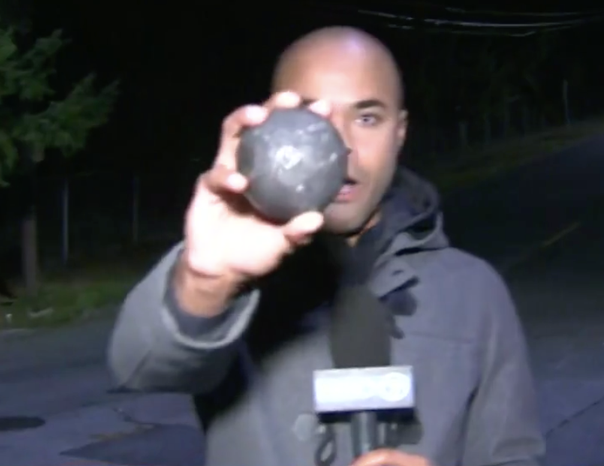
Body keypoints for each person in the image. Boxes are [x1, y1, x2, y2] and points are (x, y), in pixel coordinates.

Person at [108, 26, 545, 466]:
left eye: (367, 118)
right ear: (270, 129)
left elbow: (514, 455)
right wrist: (206, 282)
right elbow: (141, 368)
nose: (339, 149)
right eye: (312, 118)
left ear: (400, 132)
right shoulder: (238, 281)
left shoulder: (475, 292)